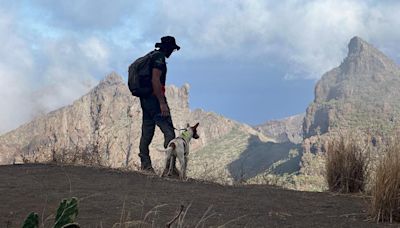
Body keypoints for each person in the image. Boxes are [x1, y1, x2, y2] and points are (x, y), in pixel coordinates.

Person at [138, 36, 180, 175]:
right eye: (172, 49)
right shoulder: (159, 59)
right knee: (170, 133)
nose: (172, 52)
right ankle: (170, 168)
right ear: (167, 48)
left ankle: (146, 166)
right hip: (155, 100)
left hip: (145, 99)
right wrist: (162, 103)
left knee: (147, 131)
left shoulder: (151, 56)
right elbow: (155, 80)